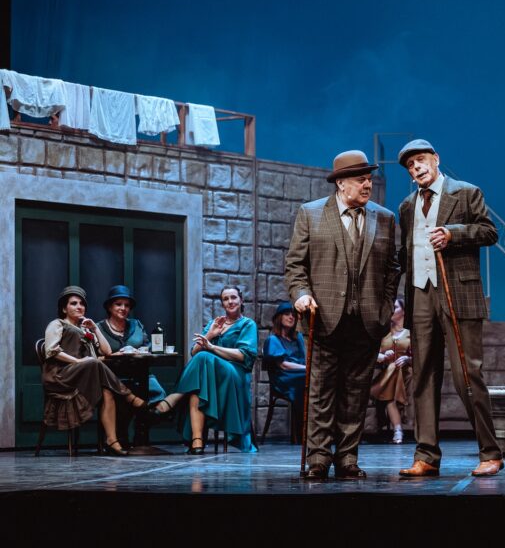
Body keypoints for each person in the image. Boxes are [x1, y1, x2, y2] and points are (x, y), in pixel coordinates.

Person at [284, 150, 400, 479]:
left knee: (356, 394)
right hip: (323, 319)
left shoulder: (384, 218)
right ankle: (319, 458)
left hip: (366, 321)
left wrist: (385, 307)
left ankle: (347, 457)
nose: (368, 184)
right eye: (361, 179)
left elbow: (392, 269)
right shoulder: (311, 213)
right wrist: (301, 295)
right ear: (340, 183)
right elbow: (295, 266)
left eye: (369, 179)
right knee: (321, 392)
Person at [395, 139, 504, 478]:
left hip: (458, 293)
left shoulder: (466, 193)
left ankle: (490, 452)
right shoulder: (407, 206)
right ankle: (426, 455)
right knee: (423, 377)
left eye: (421, 160)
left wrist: (453, 234)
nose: (417, 167)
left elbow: (490, 232)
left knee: (467, 375)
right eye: (411, 165)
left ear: (436, 159)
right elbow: (406, 252)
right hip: (420, 294)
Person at [149, 285, 259, 454]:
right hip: (211, 375)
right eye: (225, 299)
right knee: (198, 385)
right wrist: (210, 335)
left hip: (235, 374)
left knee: (204, 357)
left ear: (241, 300)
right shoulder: (215, 323)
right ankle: (197, 441)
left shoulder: (247, 324)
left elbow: (243, 356)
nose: (230, 301)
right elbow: (194, 351)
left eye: (233, 297)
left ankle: (174, 397)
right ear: (222, 303)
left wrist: (212, 347)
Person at [42, 286, 147, 455]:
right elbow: (51, 351)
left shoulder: (85, 329)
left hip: (83, 376)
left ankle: (112, 441)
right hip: (61, 376)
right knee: (93, 362)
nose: (79, 307)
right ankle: (129, 396)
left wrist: (95, 329)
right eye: (73, 303)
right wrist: (79, 361)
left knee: (107, 391)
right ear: (64, 308)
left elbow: (107, 352)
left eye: (82, 303)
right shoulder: (57, 324)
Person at [97, 285, 167, 404]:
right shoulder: (99, 328)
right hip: (112, 377)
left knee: (159, 396)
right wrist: (114, 355)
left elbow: (148, 347)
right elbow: (94, 357)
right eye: (118, 304)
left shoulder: (136, 325)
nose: (123, 308)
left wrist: (139, 351)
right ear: (109, 307)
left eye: (127, 305)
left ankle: (147, 413)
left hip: (140, 375)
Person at [261, 301, 306, 439]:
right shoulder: (273, 339)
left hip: (300, 373)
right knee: (307, 379)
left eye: (293, 315)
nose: (291, 317)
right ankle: (303, 433)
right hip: (283, 377)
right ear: (279, 318)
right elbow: (283, 365)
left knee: (318, 379)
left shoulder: (297, 338)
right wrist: (307, 369)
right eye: (287, 314)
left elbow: (305, 358)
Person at [371, 297, 413, 444]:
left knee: (393, 377)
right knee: (392, 368)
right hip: (388, 371)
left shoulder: (410, 332)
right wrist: (382, 356)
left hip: (407, 372)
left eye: (395, 308)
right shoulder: (384, 333)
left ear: (403, 311)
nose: (391, 311)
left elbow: (420, 355)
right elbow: (372, 353)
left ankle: (398, 430)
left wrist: (408, 359)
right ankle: (397, 430)